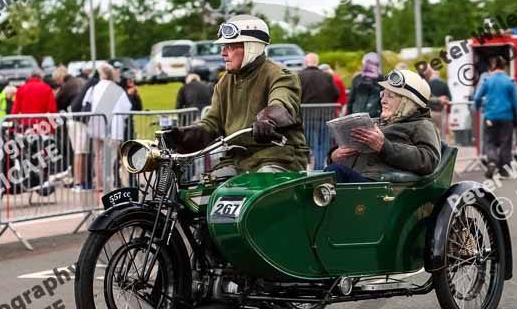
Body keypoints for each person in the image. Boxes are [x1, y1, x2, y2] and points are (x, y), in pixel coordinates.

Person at [166, 15, 308, 174]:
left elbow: (282, 102)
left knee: (261, 187)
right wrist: (181, 136)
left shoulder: (280, 75)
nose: (223, 53)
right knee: (207, 191)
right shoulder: (224, 82)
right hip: (237, 159)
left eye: (230, 46)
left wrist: (268, 119)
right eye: (223, 47)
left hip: (277, 157)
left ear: (251, 47)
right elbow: (212, 123)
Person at [325, 69, 441, 183]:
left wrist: (383, 146)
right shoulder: (375, 122)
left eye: (390, 96)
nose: (383, 101)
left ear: (407, 102)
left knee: (334, 172)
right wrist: (334, 156)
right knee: (317, 178)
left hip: (380, 186)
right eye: (383, 94)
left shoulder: (422, 124)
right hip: (360, 182)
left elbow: (428, 161)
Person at [473, 56, 517, 179]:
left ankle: (492, 161)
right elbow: (516, 102)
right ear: (504, 67)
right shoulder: (510, 81)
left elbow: (477, 97)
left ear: (493, 67)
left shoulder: (487, 80)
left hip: (490, 116)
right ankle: (504, 171)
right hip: (506, 117)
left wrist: (478, 108)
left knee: (489, 141)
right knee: (505, 143)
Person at [82, 63, 132, 190]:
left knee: (98, 156)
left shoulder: (93, 88)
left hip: (96, 125)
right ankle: (107, 185)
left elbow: (85, 104)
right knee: (110, 158)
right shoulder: (118, 89)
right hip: (113, 127)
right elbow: (127, 108)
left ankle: (99, 184)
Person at [346, 52, 383, 117]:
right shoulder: (381, 78)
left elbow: (351, 98)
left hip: (357, 113)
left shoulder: (357, 78)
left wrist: (349, 112)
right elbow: (383, 97)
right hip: (375, 113)